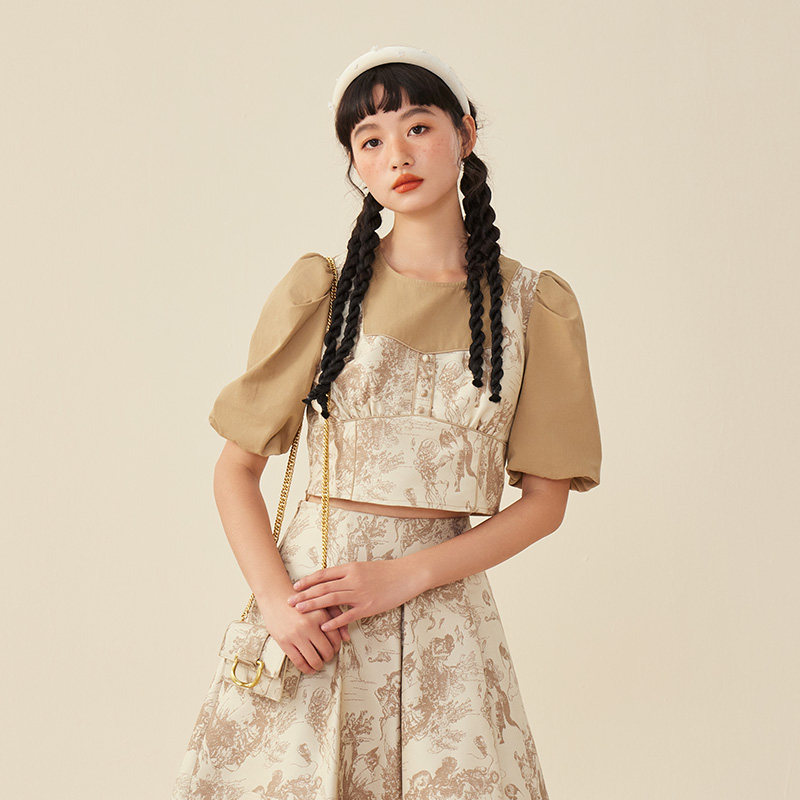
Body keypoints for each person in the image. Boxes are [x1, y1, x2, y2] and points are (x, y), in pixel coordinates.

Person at [171, 44, 601, 800]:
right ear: (356, 165)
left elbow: (546, 502)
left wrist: (404, 576)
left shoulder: (533, 306)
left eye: (418, 127)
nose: (396, 154)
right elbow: (235, 469)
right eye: (369, 141)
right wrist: (275, 604)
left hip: (444, 612)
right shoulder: (324, 292)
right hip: (316, 613)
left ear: (466, 134)